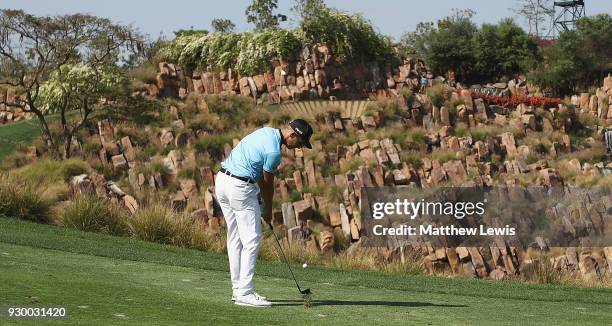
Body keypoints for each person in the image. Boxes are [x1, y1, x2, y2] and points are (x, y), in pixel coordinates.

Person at [214, 119, 314, 308]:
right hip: (239, 187)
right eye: (300, 143)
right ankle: (245, 292)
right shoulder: (274, 152)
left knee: (235, 236)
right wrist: (267, 208)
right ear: (292, 135)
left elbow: (256, 170)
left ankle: (238, 289)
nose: (298, 147)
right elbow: (267, 183)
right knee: (252, 239)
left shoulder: (266, 132)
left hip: (222, 181)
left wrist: (257, 198)